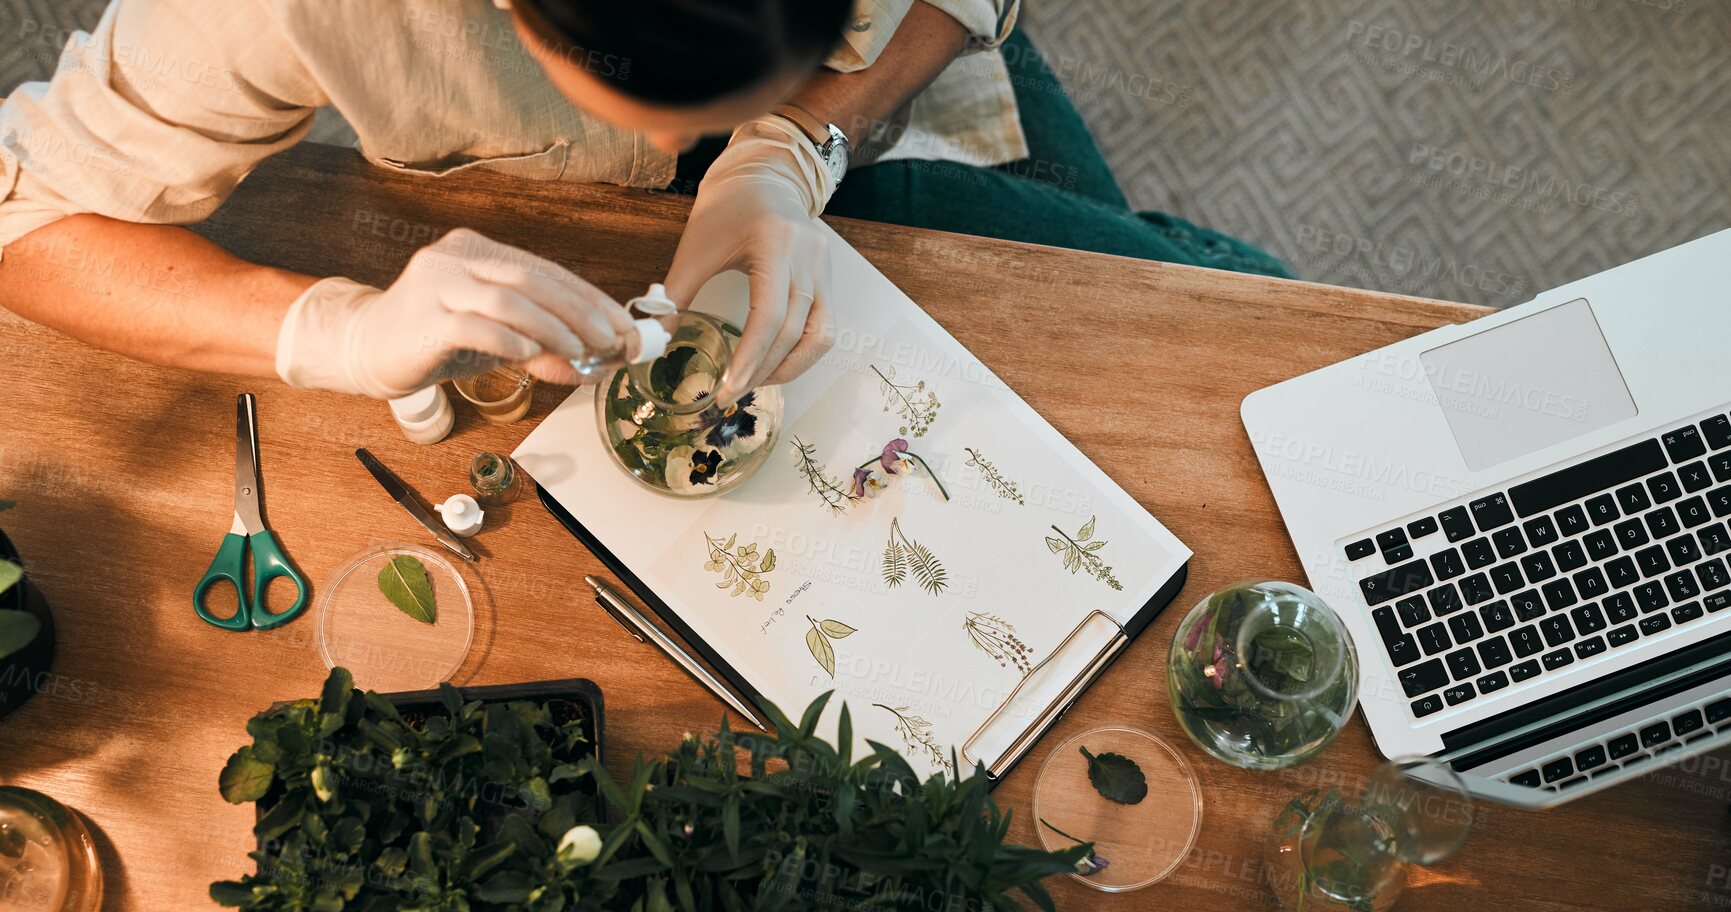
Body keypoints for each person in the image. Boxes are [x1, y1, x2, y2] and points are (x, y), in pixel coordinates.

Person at [0, 0, 1286, 408]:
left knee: (1217, 318)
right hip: (550, 226)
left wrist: (804, 135)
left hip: (911, 117)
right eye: (655, 113)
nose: (689, 143)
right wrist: (326, 329)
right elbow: (24, 221)